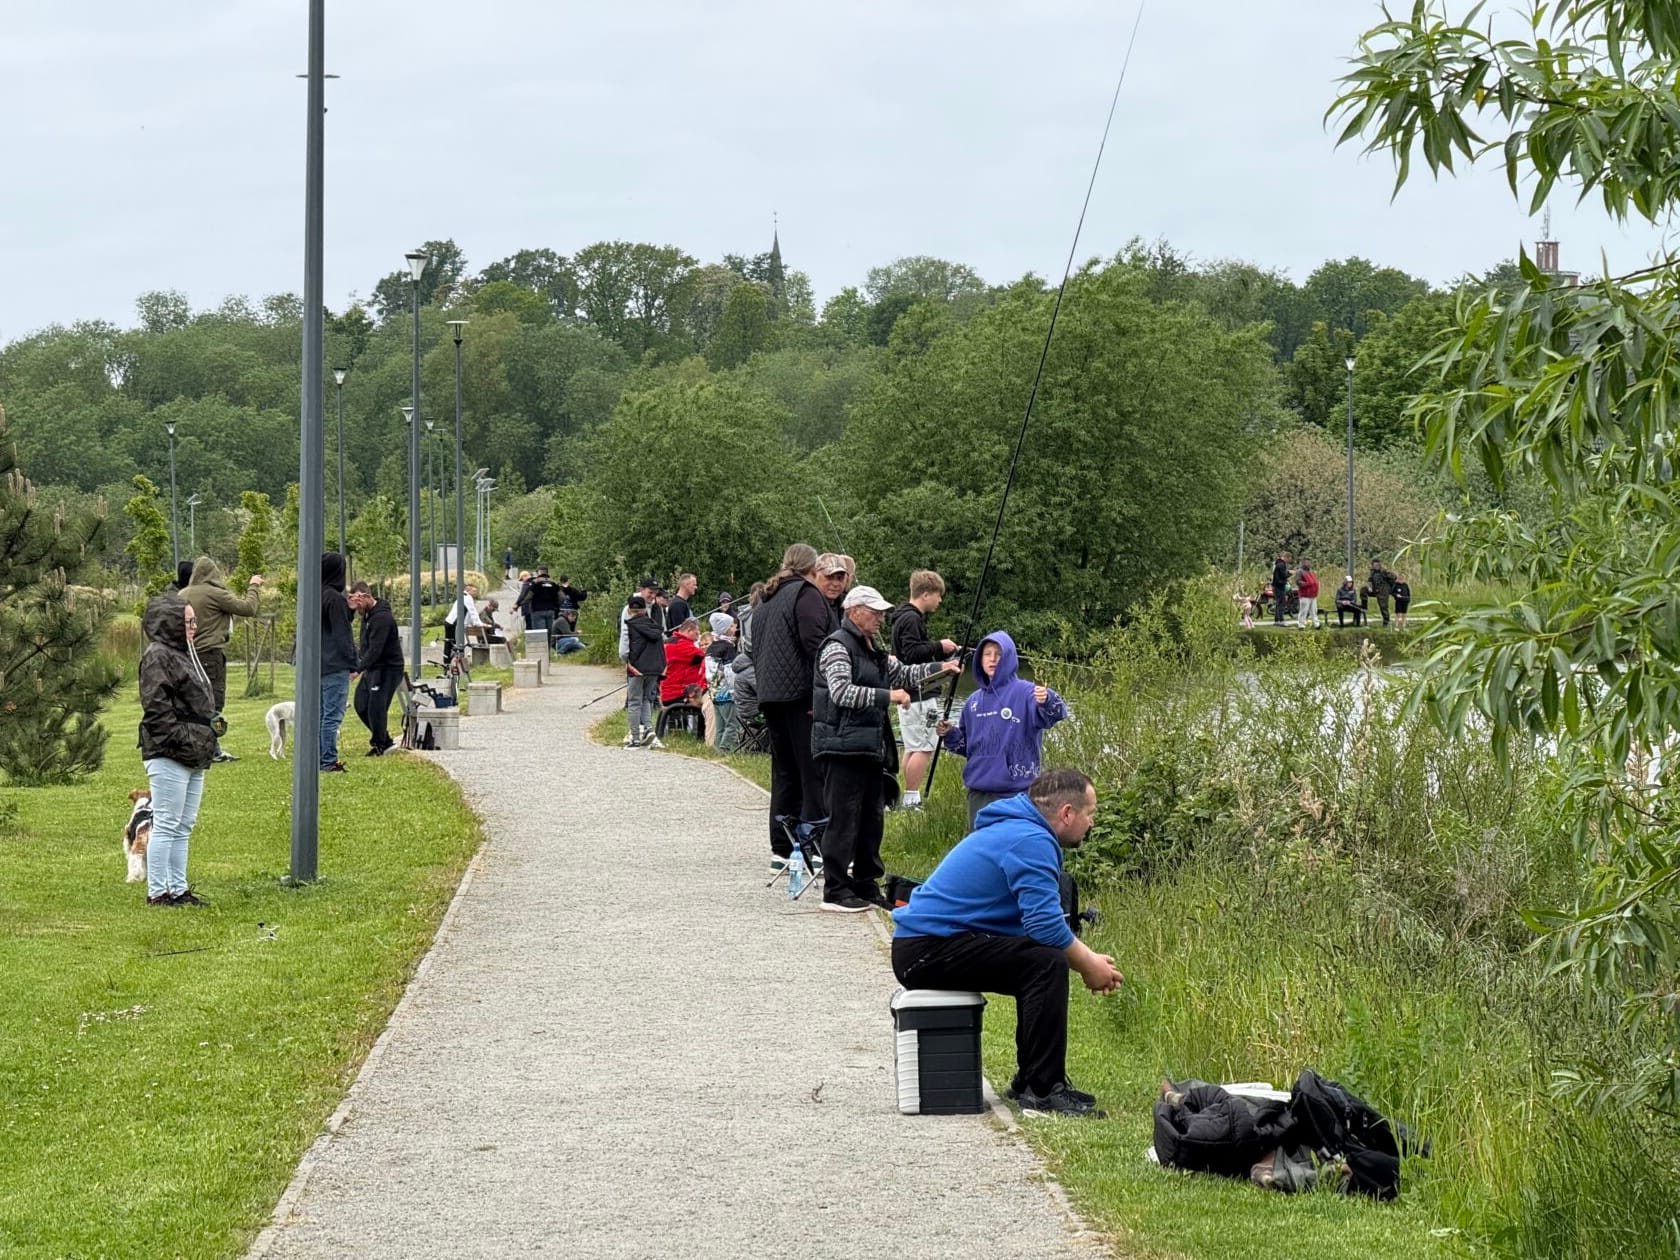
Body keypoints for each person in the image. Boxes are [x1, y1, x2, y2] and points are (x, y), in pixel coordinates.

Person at [891, 769, 1124, 1117]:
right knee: (1046, 963)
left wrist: (1084, 957)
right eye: (1090, 813)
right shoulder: (1030, 840)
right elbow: (1045, 926)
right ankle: (1044, 1090)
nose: (1091, 823)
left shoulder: (1018, 828)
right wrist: (1088, 963)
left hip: (925, 946)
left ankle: (1032, 1079)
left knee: (1041, 960)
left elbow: (1035, 926)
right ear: (1066, 813)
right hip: (926, 949)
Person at [814, 585, 960, 911]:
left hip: (868, 746)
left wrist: (940, 667)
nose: (882, 617)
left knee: (871, 819)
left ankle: (866, 885)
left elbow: (904, 673)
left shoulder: (872, 647)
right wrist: (888, 696)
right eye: (875, 611)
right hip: (840, 747)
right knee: (843, 819)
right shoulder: (837, 647)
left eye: (882, 611)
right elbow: (841, 693)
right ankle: (835, 890)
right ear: (855, 612)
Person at [753, 543, 836, 872]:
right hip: (801, 695)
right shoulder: (806, 594)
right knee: (811, 770)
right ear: (813, 568)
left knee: (784, 771)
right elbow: (816, 645)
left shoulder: (766, 599)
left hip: (770, 695)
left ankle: (781, 846)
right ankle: (814, 842)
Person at [939, 632, 1069, 827]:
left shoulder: (1026, 692)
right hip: (979, 795)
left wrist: (1047, 699)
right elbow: (967, 748)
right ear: (979, 659)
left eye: (999, 654)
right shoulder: (972, 702)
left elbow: (1056, 713)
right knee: (983, 850)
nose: (992, 659)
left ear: (1009, 658)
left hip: (1017, 795)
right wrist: (950, 734)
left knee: (1014, 847)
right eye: (987, 654)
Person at [137, 595, 218, 906]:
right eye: (188, 622)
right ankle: (158, 892)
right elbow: (156, 708)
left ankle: (179, 888)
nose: (193, 627)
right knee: (168, 822)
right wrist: (182, 740)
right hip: (170, 750)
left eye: (194, 621)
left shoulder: (184, 653)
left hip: (193, 749)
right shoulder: (159, 656)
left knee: (184, 823)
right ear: (171, 623)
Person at [179, 556, 264, 763]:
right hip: (210, 655)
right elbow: (248, 608)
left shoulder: (182, 594)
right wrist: (253, 586)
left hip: (187, 655)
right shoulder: (215, 594)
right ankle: (211, 750)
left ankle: (192, 745)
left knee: (191, 702)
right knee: (214, 704)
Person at [891, 570, 961, 810]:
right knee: (924, 746)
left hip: (909, 693)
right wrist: (939, 646)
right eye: (938, 596)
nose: (940, 601)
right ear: (926, 594)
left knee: (912, 745)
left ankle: (907, 796)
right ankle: (911, 800)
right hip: (919, 694)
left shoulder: (903, 617)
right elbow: (911, 654)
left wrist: (937, 649)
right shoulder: (911, 619)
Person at [348, 581, 403, 756]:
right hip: (372, 667)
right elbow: (366, 646)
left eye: (357, 602)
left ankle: (381, 744)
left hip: (387, 668)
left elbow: (376, 648)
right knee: (361, 704)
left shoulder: (382, 618)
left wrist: (358, 669)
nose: (356, 608)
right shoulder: (367, 614)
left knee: (376, 708)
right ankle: (383, 739)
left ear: (365, 596)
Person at [321, 553, 356, 774]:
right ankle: (328, 760)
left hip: (317, 664)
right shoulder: (335, 598)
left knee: (320, 716)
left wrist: (348, 611)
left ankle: (317, 757)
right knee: (332, 716)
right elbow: (341, 634)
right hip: (335, 664)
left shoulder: (316, 595)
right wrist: (354, 662)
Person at [623, 595, 667, 749]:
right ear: (644, 610)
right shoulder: (655, 626)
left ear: (629, 610)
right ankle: (649, 730)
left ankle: (635, 738)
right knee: (647, 699)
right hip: (654, 668)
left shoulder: (629, 625)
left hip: (636, 669)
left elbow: (624, 651)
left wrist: (627, 663)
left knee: (634, 701)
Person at [658, 617, 708, 738]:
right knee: (707, 700)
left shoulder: (670, 641)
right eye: (697, 633)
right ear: (689, 630)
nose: (698, 636)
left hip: (667, 689)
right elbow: (703, 656)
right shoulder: (682, 644)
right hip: (677, 692)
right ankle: (702, 736)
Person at [442, 582, 484, 662]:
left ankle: (447, 660)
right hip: (453, 623)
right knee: (454, 642)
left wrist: (472, 623)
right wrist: (478, 623)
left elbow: (468, 614)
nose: (475, 593)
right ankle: (453, 659)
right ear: (468, 590)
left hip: (449, 621)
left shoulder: (462, 597)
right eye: (474, 591)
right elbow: (472, 612)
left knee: (449, 641)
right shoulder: (467, 598)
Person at [520, 567, 562, 640]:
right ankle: (548, 650)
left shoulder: (535, 583)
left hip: (537, 611)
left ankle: (541, 650)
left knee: (540, 634)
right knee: (549, 633)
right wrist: (556, 604)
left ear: (539, 573)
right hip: (550, 610)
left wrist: (521, 603)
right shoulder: (553, 583)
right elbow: (562, 597)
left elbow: (528, 596)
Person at [1368, 558, 1397, 627]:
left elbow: (1394, 577)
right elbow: (1370, 580)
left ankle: (1386, 621)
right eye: (1374, 565)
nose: (1376, 566)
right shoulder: (1372, 572)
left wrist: (1386, 573)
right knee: (1363, 591)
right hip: (1376, 590)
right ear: (1372, 565)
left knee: (1383, 606)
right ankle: (1363, 608)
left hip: (1384, 590)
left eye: (1377, 565)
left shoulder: (1383, 571)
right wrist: (1370, 587)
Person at [1296, 562, 1320, 629]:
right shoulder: (1300, 571)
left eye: (1309, 562)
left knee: (1314, 611)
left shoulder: (1310, 571)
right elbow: (1298, 581)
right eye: (1306, 562)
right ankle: (1301, 624)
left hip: (1313, 594)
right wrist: (1307, 584)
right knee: (1304, 610)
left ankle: (1316, 624)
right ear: (1303, 563)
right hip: (1305, 594)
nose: (1308, 564)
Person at [1271, 552, 1290, 627]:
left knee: (1278, 603)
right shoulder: (1282, 565)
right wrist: (1290, 573)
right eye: (1289, 559)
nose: (1289, 561)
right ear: (1286, 557)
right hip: (1280, 586)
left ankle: (1277, 620)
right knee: (1281, 603)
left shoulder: (1276, 564)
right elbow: (1284, 575)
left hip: (1276, 585)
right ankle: (1281, 620)